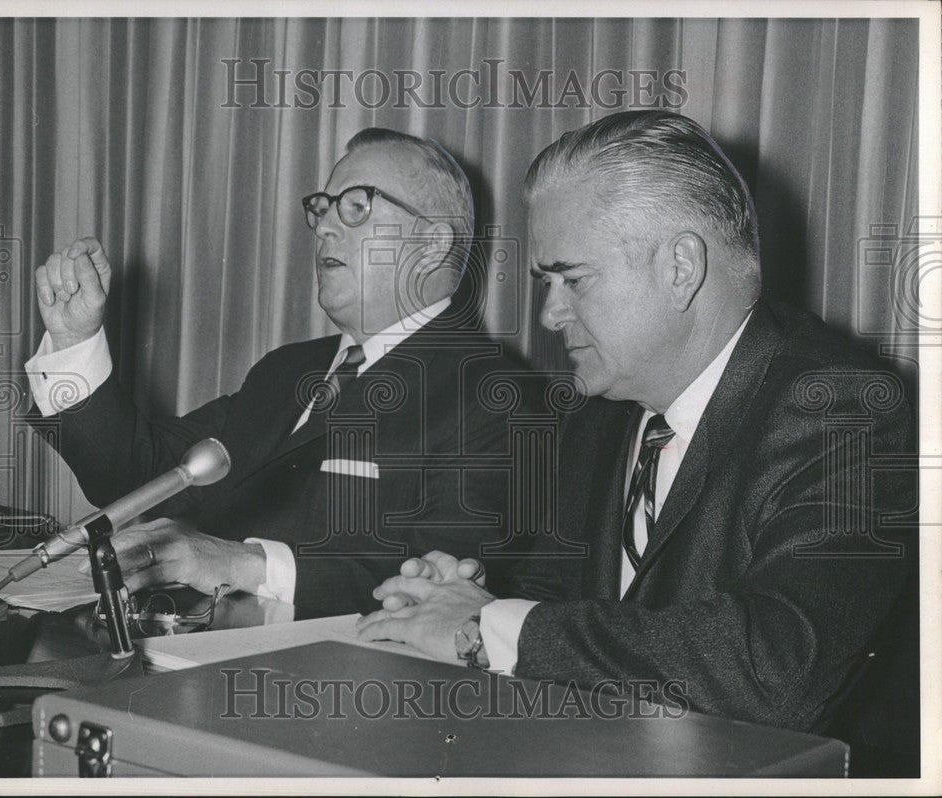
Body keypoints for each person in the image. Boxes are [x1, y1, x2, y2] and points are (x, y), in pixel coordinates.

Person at [358, 111, 917, 735]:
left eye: (572, 279)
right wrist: (473, 594)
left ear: (680, 266)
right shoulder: (601, 412)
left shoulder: (843, 407)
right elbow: (565, 592)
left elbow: (777, 668)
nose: (549, 314)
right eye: (548, 283)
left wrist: (487, 626)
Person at [25, 128, 549, 617]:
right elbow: (136, 473)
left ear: (434, 244)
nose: (323, 226)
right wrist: (75, 342)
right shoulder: (287, 370)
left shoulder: (496, 395)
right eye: (322, 208)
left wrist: (239, 563)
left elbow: (439, 588)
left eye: (356, 206)